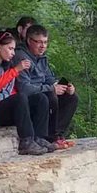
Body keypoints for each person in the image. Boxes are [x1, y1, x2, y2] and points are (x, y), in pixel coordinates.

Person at [12, 24, 78, 154]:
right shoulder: (21, 57)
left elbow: (49, 78)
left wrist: (64, 86)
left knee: (72, 97)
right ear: (29, 41)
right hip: (27, 99)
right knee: (49, 96)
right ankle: (46, 137)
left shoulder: (42, 58)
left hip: (43, 92)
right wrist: (50, 88)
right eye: (39, 42)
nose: (43, 46)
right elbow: (24, 87)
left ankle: (57, 135)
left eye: (45, 42)